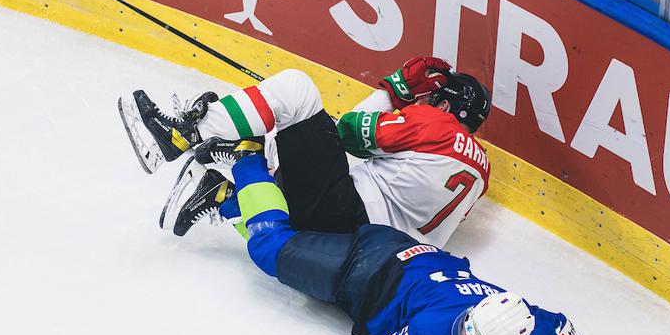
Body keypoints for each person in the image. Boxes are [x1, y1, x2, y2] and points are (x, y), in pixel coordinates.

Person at [206, 141, 605, 335]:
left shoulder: (529, 333)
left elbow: (559, 331)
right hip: (367, 271)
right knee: (268, 247)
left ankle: (225, 199)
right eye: (466, 334)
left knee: (291, 239)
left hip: (412, 255)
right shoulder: (434, 333)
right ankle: (245, 157)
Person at [118, 56, 492, 248]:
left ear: (445, 107)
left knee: (297, 93)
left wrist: (393, 90)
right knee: (301, 147)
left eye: (433, 98)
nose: (424, 100)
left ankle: (180, 134)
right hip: (365, 257)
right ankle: (224, 196)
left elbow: (348, 131)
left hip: (340, 213)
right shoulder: (481, 174)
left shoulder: (436, 125)